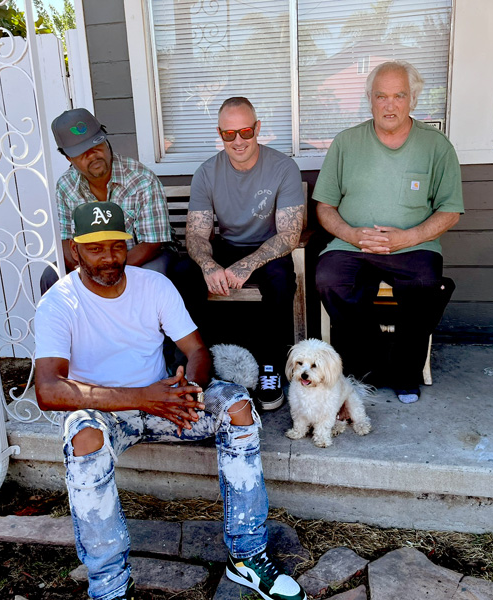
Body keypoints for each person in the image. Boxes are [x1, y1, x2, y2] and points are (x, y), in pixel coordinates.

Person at [34, 200, 307, 600]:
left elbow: (197, 352)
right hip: (107, 413)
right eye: (95, 248)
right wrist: (143, 398)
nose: (109, 258)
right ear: (75, 250)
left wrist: (190, 391)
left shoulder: (154, 285)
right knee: (83, 437)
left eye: (116, 246)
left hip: (165, 404)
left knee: (237, 406)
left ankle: (247, 556)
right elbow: (49, 390)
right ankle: (109, 584)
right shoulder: (59, 302)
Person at [314, 60, 464, 404]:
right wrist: (353, 235)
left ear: (413, 99)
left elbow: (450, 210)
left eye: (399, 95)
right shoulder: (346, 143)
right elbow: (324, 206)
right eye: (381, 96)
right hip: (353, 245)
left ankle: (405, 371)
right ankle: (371, 362)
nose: (390, 104)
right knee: (329, 279)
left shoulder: (436, 146)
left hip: (413, 247)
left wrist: (407, 238)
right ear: (370, 99)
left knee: (427, 286)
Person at [183, 97, 305, 411]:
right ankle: (196, 364)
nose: (238, 141)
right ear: (219, 134)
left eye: (246, 132)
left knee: (280, 279)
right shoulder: (207, 172)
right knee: (183, 274)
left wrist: (247, 265)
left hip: (268, 248)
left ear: (258, 129)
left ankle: (270, 367)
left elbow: (289, 235)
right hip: (227, 247)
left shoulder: (282, 167)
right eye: (229, 134)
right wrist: (209, 265)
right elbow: (197, 233)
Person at [40, 108, 176, 294]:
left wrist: (109, 272)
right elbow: (66, 240)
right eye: (82, 152)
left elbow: (152, 243)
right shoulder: (66, 185)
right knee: (51, 276)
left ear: (106, 141)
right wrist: (89, 272)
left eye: (97, 145)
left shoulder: (142, 179)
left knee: (151, 275)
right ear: (68, 158)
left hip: (144, 256)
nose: (93, 155)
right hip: (92, 262)